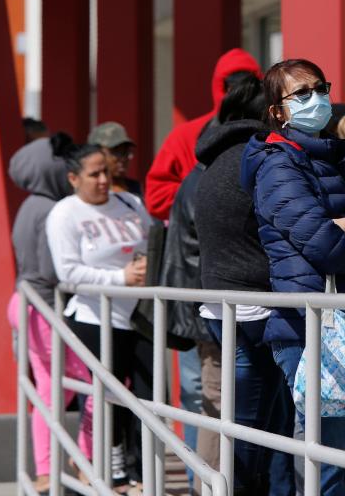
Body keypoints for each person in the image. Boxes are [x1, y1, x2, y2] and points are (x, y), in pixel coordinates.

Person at [241, 59, 345, 495]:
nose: (317, 99)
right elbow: (325, 247)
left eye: (321, 87)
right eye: (302, 93)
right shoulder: (277, 166)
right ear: (277, 110)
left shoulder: (338, 155)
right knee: (326, 460)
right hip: (309, 329)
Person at [190, 72, 295, 496]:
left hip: (224, 302)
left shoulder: (215, 161)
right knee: (256, 430)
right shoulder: (258, 157)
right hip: (254, 304)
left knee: (251, 425)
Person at [46, 143, 155, 490]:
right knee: (105, 400)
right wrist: (118, 278)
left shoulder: (130, 202)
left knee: (150, 395)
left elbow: (153, 242)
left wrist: (146, 266)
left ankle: (144, 474)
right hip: (95, 317)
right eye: (95, 174)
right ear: (74, 178)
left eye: (107, 171)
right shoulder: (65, 213)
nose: (105, 179)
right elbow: (68, 273)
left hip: (142, 315)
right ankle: (112, 473)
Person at [6, 134, 93, 494]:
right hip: (43, 306)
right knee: (89, 381)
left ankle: (47, 469)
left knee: (50, 388)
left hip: (25, 303)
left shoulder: (30, 205)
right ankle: (82, 457)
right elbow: (50, 269)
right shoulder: (50, 209)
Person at [145, 48, 262, 220]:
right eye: (231, 86)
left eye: (246, 85)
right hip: (201, 238)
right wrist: (208, 192)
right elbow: (156, 198)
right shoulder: (184, 135)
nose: (238, 92)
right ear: (220, 87)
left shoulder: (271, 130)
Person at [88, 121, 142, 197]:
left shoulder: (136, 189)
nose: (123, 159)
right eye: (116, 152)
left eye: (126, 152)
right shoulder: (85, 191)